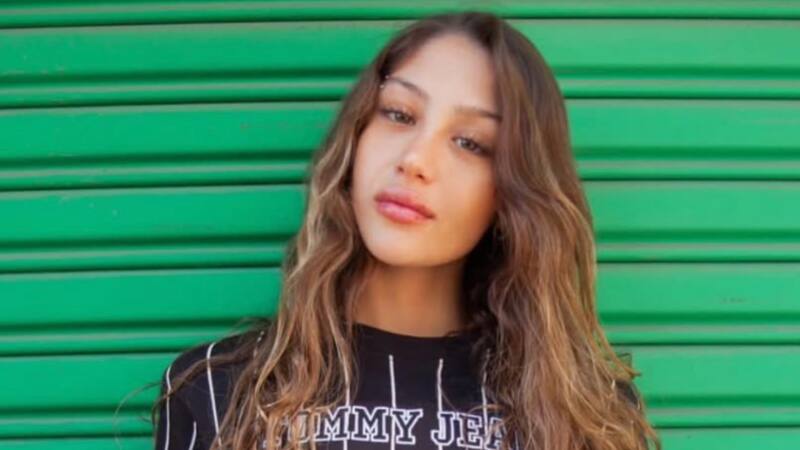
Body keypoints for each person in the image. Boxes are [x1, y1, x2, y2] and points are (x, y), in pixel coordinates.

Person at [151, 10, 661, 450]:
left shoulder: (588, 415)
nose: (415, 159)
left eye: (470, 143)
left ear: (512, 193)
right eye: (398, 114)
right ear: (355, 136)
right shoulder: (217, 391)